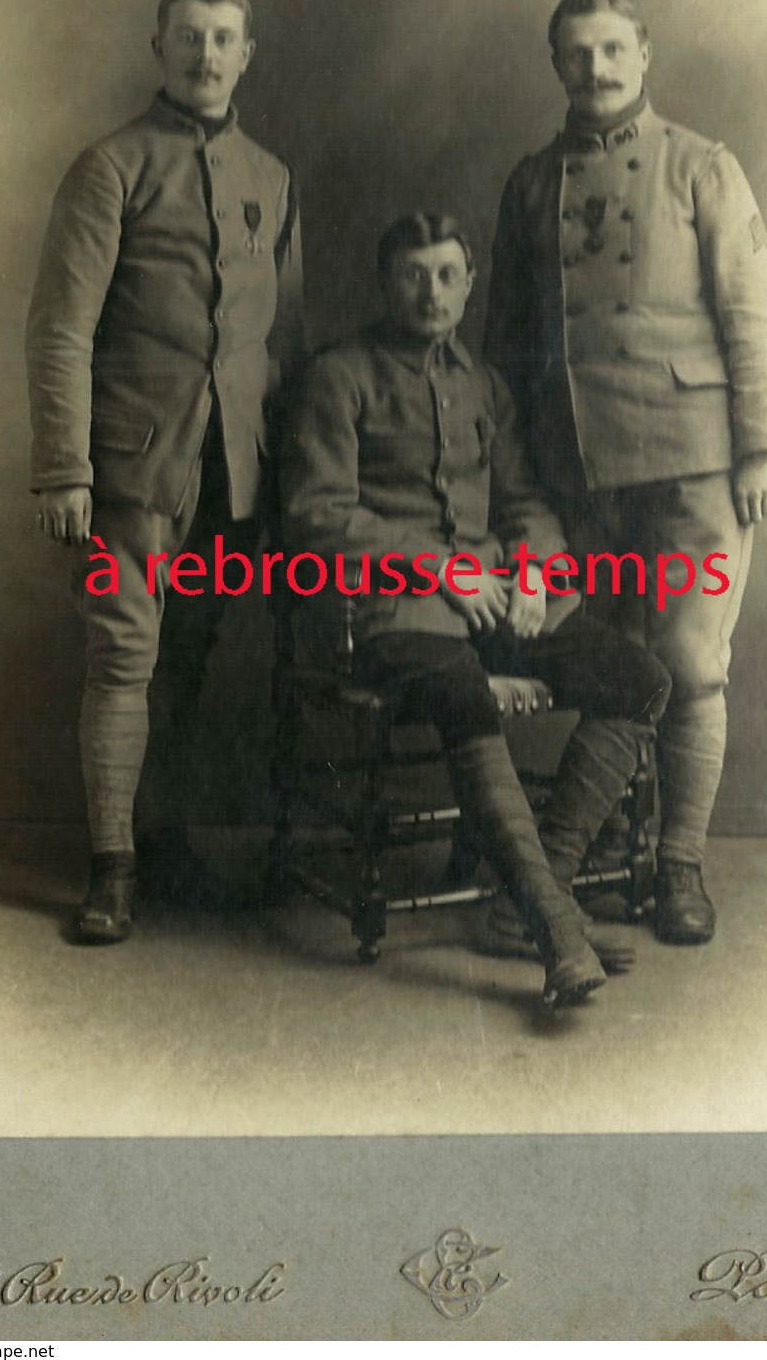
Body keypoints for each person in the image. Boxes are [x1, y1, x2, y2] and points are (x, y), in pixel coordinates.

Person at [280, 212, 670, 1010]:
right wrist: (435, 566)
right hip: (388, 606)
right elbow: (317, 515)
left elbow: (523, 498)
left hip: (496, 595)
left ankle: (528, 898)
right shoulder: (340, 375)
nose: (431, 293)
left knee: (638, 677)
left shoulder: (483, 382)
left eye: (447, 275)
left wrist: (532, 573)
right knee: (459, 689)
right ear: (384, 282)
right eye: (413, 275)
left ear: (468, 283)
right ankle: (555, 929)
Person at [486, 0, 767, 945]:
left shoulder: (699, 166)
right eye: (577, 54)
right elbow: (503, 345)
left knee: (692, 665)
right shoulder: (533, 182)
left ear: (645, 55)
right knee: (623, 672)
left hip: (692, 466)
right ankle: (585, 861)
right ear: (555, 64)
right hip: (577, 471)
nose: (597, 69)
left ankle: (678, 869)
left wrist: (760, 445)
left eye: (613, 50)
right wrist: (518, 481)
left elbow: (755, 310)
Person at [27, 0, 304, 943]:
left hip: (234, 468)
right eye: (187, 36)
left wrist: (289, 476)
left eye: (224, 37)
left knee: (188, 660)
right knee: (123, 656)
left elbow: (282, 340)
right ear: (158, 46)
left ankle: (163, 840)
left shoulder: (269, 176)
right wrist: (65, 465)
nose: (205, 54)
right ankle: (110, 870)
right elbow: (61, 328)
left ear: (246, 53)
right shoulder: (111, 167)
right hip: (130, 467)